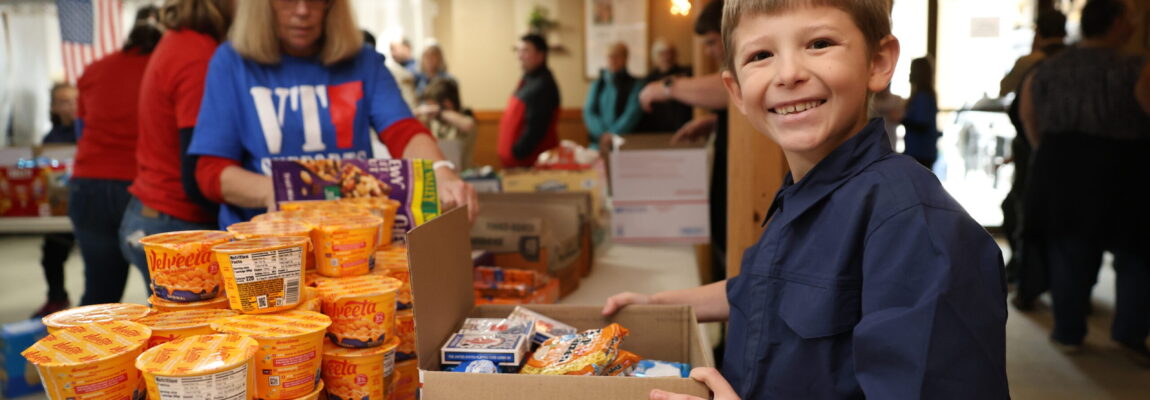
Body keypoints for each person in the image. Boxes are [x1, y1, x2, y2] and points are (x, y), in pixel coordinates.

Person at [605, 1, 1009, 398]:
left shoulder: (914, 222)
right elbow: (760, 287)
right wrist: (655, 303)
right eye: (761, 55)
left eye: (819, 44)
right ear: (737, 92)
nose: (789, 74)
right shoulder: (802, 194)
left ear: (878, 62)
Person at [189, 0, 477, 228]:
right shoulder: (232, 62)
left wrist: (441, 172)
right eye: (287, 0)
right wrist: (275, 190)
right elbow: (211, 171)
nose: (303, 11)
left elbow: (403, 131)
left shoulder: (364, 61)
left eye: (317, 0)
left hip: (352, 240)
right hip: (265, 245)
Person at [1020, 0, 1150, 364]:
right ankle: (1129, 332)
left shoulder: (1048, 68)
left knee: (1069, 248)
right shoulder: (1137, 66)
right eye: (1129, 18)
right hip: (1124, 164)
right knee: (1135, 252)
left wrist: (1047, 151)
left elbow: (1029, 116)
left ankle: (1068, 331)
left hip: (1061, 163)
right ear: (1116, 23)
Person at [120, 0, 236, 280]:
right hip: (177, 221)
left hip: (156, 211)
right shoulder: (198, 55)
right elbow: (196, 173)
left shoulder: (181, 40)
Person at [637, 0, 731, 281]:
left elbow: (732, 87)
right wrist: (713, 121)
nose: (709, 51)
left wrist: (668, 87)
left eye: (712, 42)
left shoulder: (746, 68)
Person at [71, 22, 162, 306]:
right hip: (140, 190)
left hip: (88, 185)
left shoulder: (95, 69)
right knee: (165, 295)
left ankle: (88, 335)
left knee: (99, 296)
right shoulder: (161, 68)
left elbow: (80, 129)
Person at [1000, 8, 1068, 310]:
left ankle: (1024, 276)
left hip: (1035, 148)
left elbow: (1006, 91)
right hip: (1070, 151)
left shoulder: (1031, 62)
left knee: (1023, 210)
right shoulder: (1073, 60)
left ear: (1039, 32)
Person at [32, 83, 78, 318]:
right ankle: (57, 298)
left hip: (88, 202)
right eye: (62, 102)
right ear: (53, 107)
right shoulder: (51, 137)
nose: (68, 107)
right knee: (51, 253)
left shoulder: (88, 131)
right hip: (60, 207)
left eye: (71, 101)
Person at [497, 34, 560, 168]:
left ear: (541, 55)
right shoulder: (529, 80)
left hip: (531, 165)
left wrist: (518, 152)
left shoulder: (543, 85)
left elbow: (537, 127)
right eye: (518, 50)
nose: (519, 56)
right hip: (517, 164)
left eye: (525, 50)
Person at [583, 42, 642, 150]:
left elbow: (632, 114)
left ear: (625, 58)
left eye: (617, 56)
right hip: (598, 144)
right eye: (610, 56)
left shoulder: (635, 84)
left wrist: (612, 135)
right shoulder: (598, 84)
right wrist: (602, 134)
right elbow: (589, 112)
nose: (613, 60)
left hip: (624, 144)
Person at [415, 78, 476, 171]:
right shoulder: (434, 122)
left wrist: (439, 112)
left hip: (462, 173)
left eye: (433, 105)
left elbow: (468, 125)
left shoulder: (464, 119)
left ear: (447, 104)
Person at [636, 39, 693, 133]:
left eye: (670, 53)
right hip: (657, 129)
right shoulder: (649, 79)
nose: (667, 57)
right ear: (655, 57)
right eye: (662, 54)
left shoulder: (687, 73)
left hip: (683, 125)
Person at [900, 56, 940, 169]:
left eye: (912, 70)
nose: (909, 74)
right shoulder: (925, 95)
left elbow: (921, 124)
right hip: (922, 152)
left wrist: (901, 119)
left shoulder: (923, 97)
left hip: (920, 152)